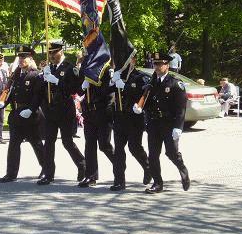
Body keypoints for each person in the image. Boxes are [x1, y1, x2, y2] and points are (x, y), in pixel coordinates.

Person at [134, 51, 190, 194]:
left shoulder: (175, 83)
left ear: (167, 65)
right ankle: (158, 183)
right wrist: (140, 107)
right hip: (153, 123)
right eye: (155, 64)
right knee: (153, 155)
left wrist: (178, 127)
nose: (157, 67)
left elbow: (181, 108)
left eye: (160, 64)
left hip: (169, 124)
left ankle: (182, 169)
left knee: (171, 153)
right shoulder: (151, 83)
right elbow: (148, 101)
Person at [37, 42, 85, 185]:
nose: (51, 56)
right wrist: (44, 77)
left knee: (67, 141)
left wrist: (57, 81)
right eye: (50, 53)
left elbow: (73, 89)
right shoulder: (49, 68)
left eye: (54, 53)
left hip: (64, 109)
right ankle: (48, 173)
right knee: (49, 142)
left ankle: (82, 164)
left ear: (61, 52)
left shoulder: (69, 68)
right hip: (50, 110)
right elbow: (44, 90)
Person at [0, 47, 45, 183]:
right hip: (17, 114)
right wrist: (3, 102)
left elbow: (37, 95)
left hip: (29, 115)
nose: (21, 60)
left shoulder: (36, 75)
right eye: (20, 58)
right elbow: (10, 91)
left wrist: (31, 109)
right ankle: (11, 173)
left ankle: (46, 168)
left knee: (36, 143)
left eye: (24, 58)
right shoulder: (16, 75)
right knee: (13, 144)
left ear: (30, 59)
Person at [109, 56, 151, 191]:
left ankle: (148, 167)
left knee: (134, 147)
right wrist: (111, 82)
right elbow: (106, 93)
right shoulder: (117, 75)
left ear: (133, 61)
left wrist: (125, 87)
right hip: (119, 118)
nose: (124, 64)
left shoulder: (140, 77)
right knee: (119, 151)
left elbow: (143, 94)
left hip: (134, 119)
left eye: (127, 61)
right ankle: (119, 180)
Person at [78, 68, 115, 188]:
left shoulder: (105, 70)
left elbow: (108, 92)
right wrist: (82, 86)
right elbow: (77, 91)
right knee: (89, 145)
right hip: (89, 112)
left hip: (102, 112)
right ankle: (91, 176)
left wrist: (93, 82)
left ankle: (119, 167)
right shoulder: (86, 68)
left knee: (104, 145)